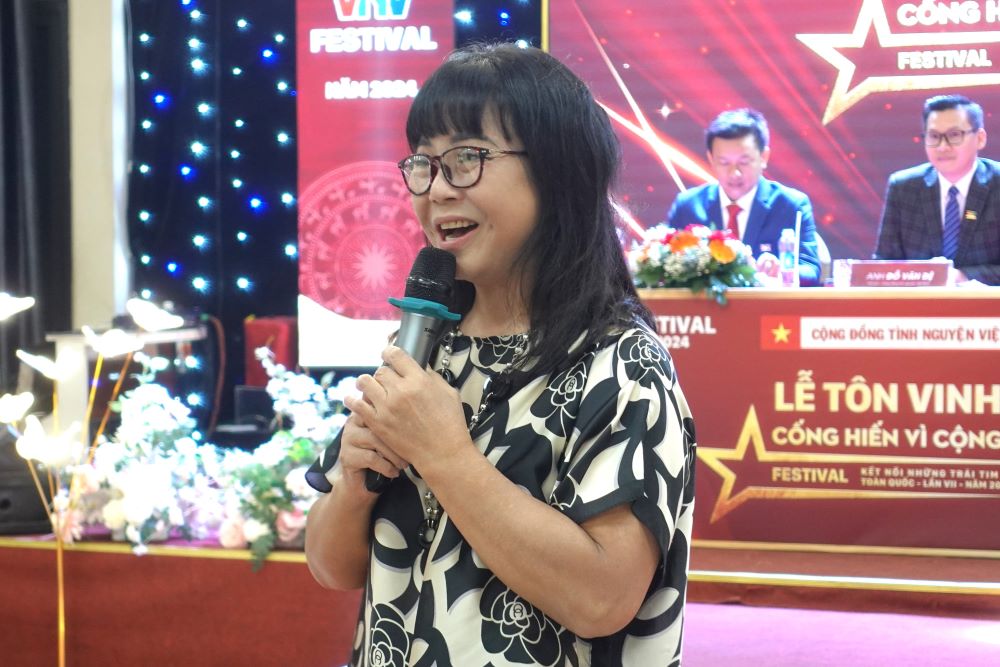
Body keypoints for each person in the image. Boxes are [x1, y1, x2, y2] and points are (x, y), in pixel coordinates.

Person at [304, 43, 696, 667]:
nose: (437, 189)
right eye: (423, 164)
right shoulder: (422, 347)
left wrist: (446, 456)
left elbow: (602, 599)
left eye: (466, 159)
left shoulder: (622, 363)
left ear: (558, 171)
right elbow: (330, 567)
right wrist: (352, 486)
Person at [667, 108, 822, 286]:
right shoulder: (688, 206)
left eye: (744, 162)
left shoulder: (790, 205)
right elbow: (666, 267)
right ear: (711, 159)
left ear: (764, 157)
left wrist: (782, 270)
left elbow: (811, 270)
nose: (735, 173)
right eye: (724, 162)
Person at [873, 94, 1000, 285]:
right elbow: (883, 265)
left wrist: (962, 276)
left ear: (980, 138)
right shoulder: (903, 187)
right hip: (920, 302)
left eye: (954, 135)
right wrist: (926, 275)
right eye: (934, 136)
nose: (942, 147)